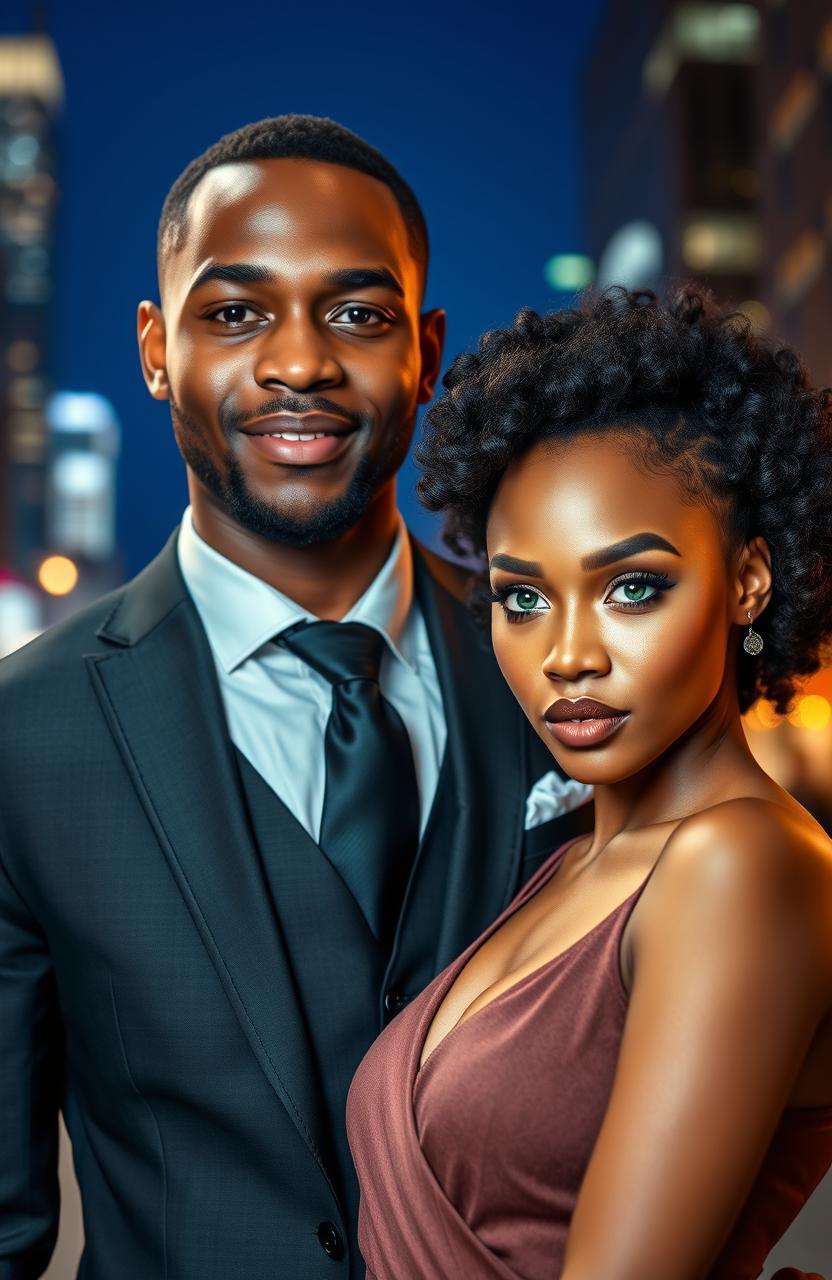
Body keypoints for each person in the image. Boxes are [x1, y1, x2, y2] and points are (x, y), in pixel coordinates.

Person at [0, 116, 591, 1279]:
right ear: (155, 347)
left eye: (359, 315)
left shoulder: (568, 680)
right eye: (233, 313)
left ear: (425, 349)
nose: (299, 362)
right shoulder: (24, 735)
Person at [347, 287, 832, 1279]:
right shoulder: (567, 863)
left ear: (746, 578)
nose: (566, 654)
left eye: (631, 587)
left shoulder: (741, 863)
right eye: (523, 596)